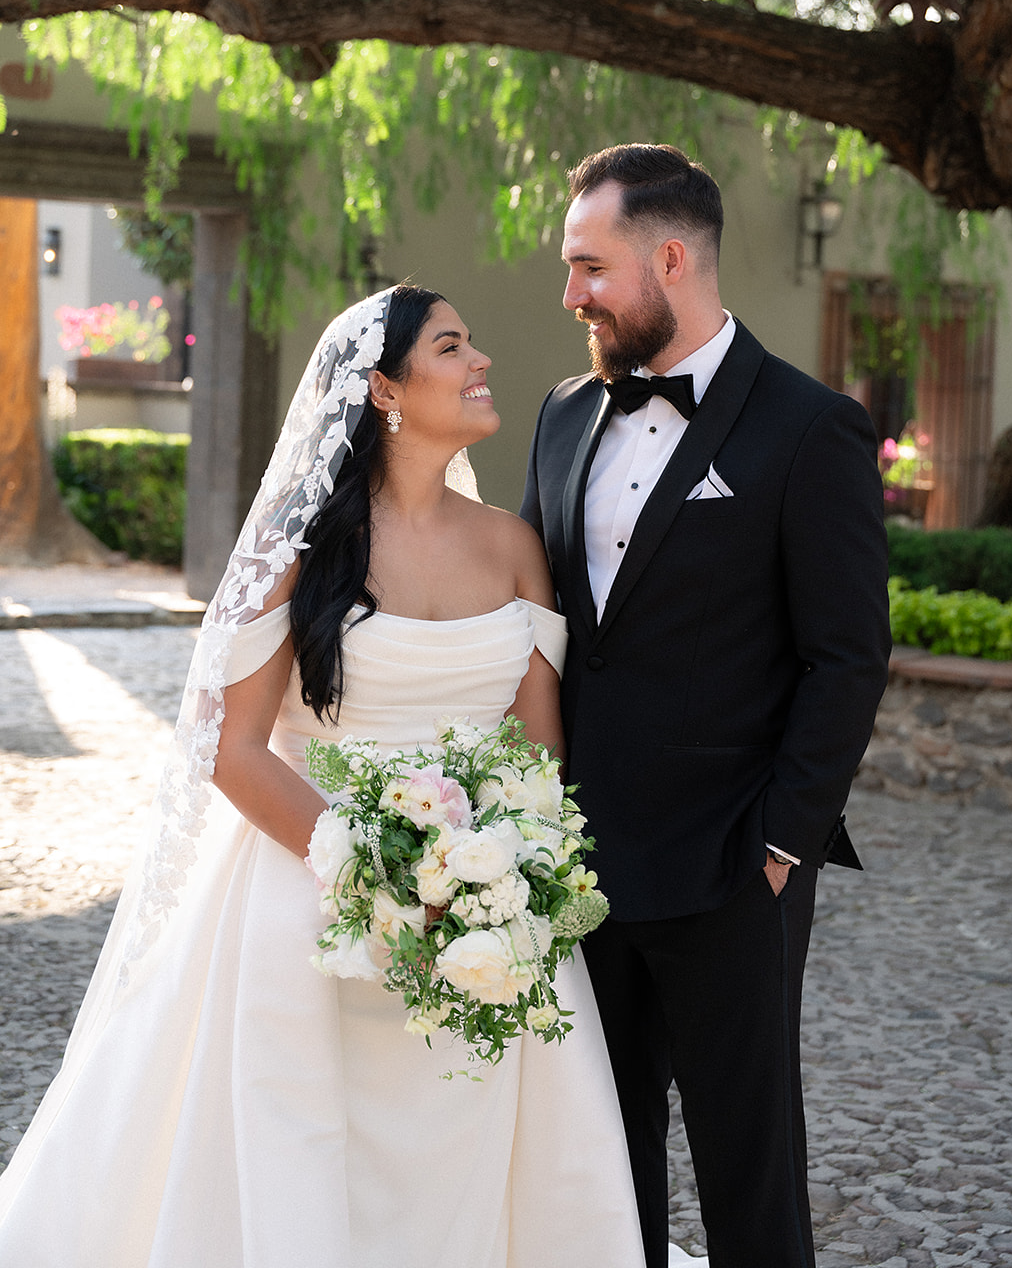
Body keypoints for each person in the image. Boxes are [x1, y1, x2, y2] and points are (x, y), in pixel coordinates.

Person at [0, 285, 646, 1268]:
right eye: (451, 345)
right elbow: (234, 747)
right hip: (304, 904)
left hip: (486, 906)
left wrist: (495, 874)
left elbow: (538, 747)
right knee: (304, 1152)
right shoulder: (293, 555)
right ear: (385, 388)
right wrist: (379, 878)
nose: (480, 362)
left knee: (469, 1160)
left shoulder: (515, 549)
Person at [520, 145, 892, 1268]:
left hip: (734, 864)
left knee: (750, 1161)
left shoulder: (809, 426)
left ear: (669, 258)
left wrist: (782, 841)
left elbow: (848, 656)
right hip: (581, 862)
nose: (570, 293)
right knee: (598, 1150)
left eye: (591, 267)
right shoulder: (559, 412)